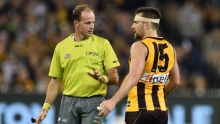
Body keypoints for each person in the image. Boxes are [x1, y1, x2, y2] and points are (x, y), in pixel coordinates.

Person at [35, 4, 120, 124]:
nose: (92, 26)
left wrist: (103, 79)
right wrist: (45, 108)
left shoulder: (103, 44)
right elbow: (55, 81)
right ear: (76, 24)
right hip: (68, 102)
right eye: (87, 23)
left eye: (93, 22)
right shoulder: (61, 47)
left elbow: (115, 77)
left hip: (94, 102)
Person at [98, 7, 180, 124]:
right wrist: (158, 96)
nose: (132, 26)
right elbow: (175, 81)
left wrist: (113, 101)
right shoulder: (170, 48)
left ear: (147, 25)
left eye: (136, 22)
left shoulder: (140, 46)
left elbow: (134, 76)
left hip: (139, 110)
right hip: (161, 111)